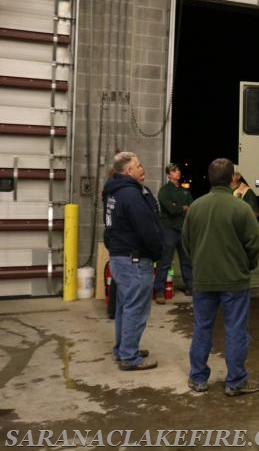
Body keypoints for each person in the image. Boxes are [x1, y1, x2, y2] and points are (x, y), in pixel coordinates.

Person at [182, 158, 259, 396]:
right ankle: (236, 381)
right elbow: (255, 242)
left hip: (203, 279)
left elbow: (186, 243)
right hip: (234, 281)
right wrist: (248, 265)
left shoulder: (196, 207)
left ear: (209, 178)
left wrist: (198, 264)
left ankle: (198, 378)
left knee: (202, 328)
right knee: (236, 329)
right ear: (232, 180)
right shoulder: (241, 208)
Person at [103, 151, 163, 371]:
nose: (142, 168)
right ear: (128, 171)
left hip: (120, 257)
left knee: (125, 307)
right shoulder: (131, 194)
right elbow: (147, 229)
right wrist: (158, 251)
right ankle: (129, 356)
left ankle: (123, 349)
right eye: (138, 165)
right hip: (134, 260)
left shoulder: (112, 192)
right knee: (136, 308)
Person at [155, 163, 193, 302]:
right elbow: (170, 210)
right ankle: (159, 290)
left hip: (183, 230)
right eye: (174, 171)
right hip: (169, 230)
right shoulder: (164, 191)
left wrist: (178, 207)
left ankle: (190, 286)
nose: (177, 172)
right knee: (165, 261)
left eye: (178, 170)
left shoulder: (185, 191)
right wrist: (182, 208)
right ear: (168, 175)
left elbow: (192, 207)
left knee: (186, 260)